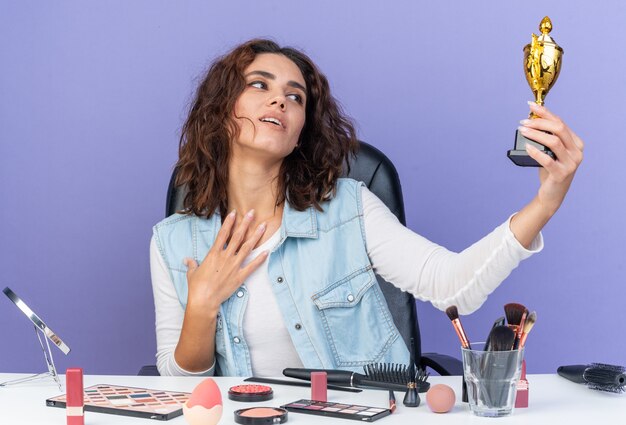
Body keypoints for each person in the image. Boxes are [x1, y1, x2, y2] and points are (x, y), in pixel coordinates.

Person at [150, 39, 583, 377]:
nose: (280, 101)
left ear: (300, 132)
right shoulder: (172, 241)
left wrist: (545, 202)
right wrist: (202, 306)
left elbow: (455, 287)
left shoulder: (348, 208)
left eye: (295, 97)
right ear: (222, 108)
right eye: (259, 85)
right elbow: (181, 384)